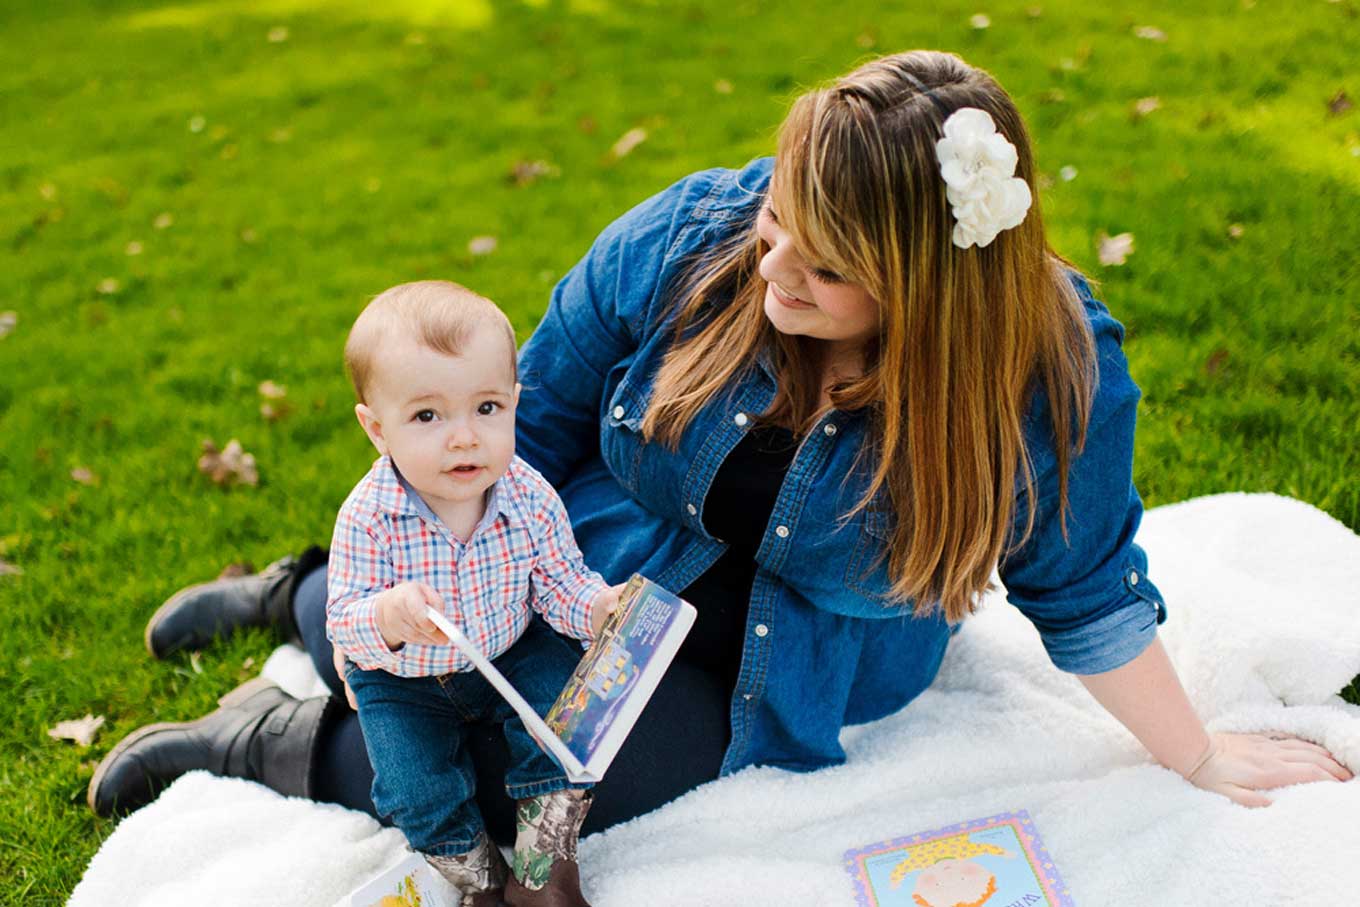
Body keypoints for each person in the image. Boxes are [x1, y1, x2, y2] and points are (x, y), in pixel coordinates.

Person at [90, 49, 1351, 855]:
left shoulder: (1045, 375)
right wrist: (422, 573)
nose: (773, 268)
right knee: (432, 648)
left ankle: (263, 739)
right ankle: (304, 597)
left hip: (793, 654)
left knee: (535, 793)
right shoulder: (696, 234)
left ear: (925, 282)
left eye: (825, 266)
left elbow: (1081, 587)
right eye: (778, 224)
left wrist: (1194, 752)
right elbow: (520, 430)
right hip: (591, 563)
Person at [329, 280, 619, 905]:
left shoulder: (527, 494)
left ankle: (544, 873)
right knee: (414, 786)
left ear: (514, 403)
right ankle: (477, 879)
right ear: (377, 429)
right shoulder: (369, 517)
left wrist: (596, 608)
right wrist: (388, 614)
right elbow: (344, 621)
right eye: (427, 416)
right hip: (403, 678)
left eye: (487, 408)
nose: (464, 436)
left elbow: (559, 581)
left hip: (508, 646)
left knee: (568, 724)